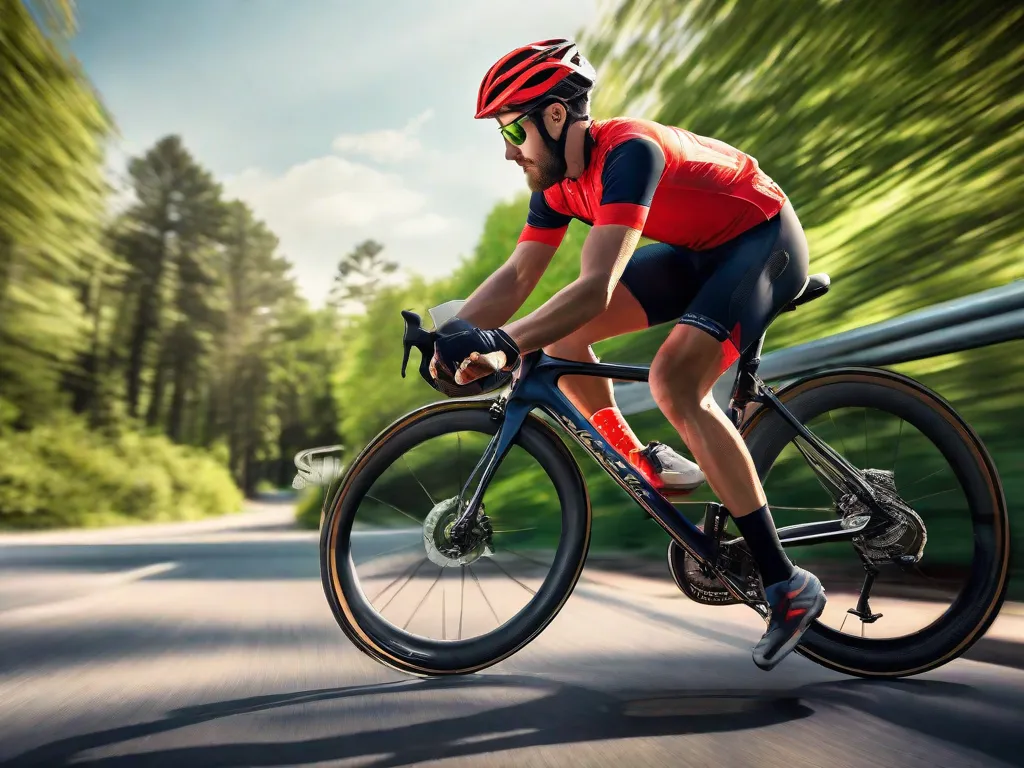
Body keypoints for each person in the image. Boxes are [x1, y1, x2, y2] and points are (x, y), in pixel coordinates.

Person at [429, 38, 826, 671]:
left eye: (512, 128)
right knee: (558, 334)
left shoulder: (628, 153)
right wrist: (448, 333)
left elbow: (595, 289)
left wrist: (501, 344)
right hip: (702, 249)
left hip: (762, 239)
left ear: (556, 117)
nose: (507, 150)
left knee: (675, 380)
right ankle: (644, 459)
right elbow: (517, 279)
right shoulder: (556, 183)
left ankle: (786, 586)